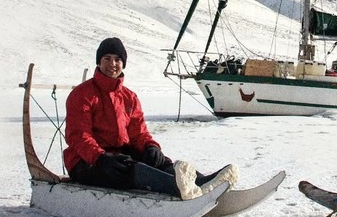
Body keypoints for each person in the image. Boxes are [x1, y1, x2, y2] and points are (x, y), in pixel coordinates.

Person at [63, 37, 237, 199]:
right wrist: (100, 158)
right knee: (129, 168)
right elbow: (79, 135)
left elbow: (138, 134)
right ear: (99, 62)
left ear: (123, 63)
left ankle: (202, 181)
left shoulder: (129, 97)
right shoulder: (82, 95)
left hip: (118, 155)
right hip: (87, 162)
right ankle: (180, 188)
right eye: (107, 59)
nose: (112, 64)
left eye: (117, 59)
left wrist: (150, 147)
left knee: (155, 159)